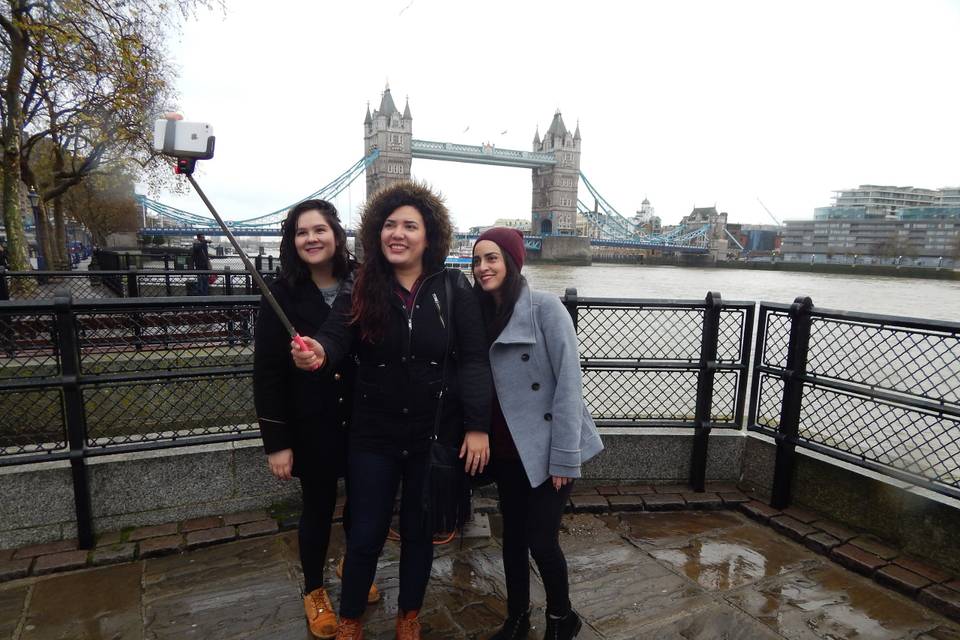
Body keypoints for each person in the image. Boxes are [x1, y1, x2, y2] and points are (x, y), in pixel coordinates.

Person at [292, 181, 492, 640]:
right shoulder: (361, 285)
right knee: (364, 533)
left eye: (409, 225)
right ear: (376, 233)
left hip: (432, 435)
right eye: (389, 225)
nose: (396, 233)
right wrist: (317, 352)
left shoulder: (452, 287)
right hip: (373, 435)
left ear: (429, 236)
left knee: (419, 533)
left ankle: (409, 616)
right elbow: (335, 337)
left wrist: (477, 427)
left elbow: (475, 359)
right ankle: (350, 619)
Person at [253, 199, 379, 640]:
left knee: (362, 503)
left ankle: (352, 564)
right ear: (292, 241)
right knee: (318, 507)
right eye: (302, 232)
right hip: (311, 422)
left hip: (361, 417)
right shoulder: (280, 292)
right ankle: (313, 589)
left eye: (319, 230)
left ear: (336, 234)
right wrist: (277, 442)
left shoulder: (362, 282)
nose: (311, 239)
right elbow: (267, 372)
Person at [471, 227, 604, 640]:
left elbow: (569, 384)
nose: (482, 268)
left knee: (541, 541)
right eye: (476, 260)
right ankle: (516, 618)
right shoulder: (476, 315)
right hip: (507, 448)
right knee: (511, 539)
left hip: (547, 448)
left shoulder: (546, 308)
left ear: (512, 261)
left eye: (492, 258)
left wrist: (565, 455)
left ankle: (562, 618)